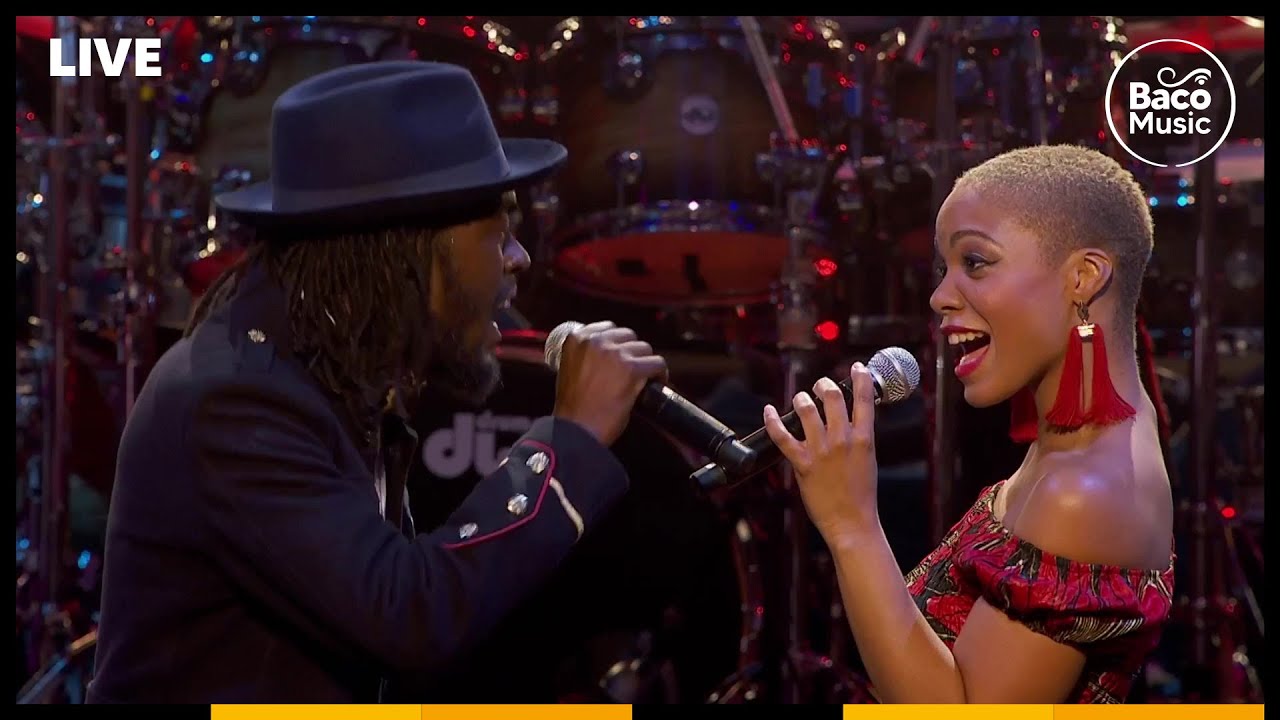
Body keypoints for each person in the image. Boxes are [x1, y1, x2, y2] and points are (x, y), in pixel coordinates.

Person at [87, 61, 668, 703]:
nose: (518, 258)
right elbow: (409, 615)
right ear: (405, 246)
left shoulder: (329, 363)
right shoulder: (237, 399)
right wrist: (571, 439)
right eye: (499, 233)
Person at [763, 144, 1176, 704]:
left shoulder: (1082, 494)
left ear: (1083, 276)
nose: (939, 297)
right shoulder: (1086, 441)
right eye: (944, 269)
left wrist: (850, 525)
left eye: (975, 262)